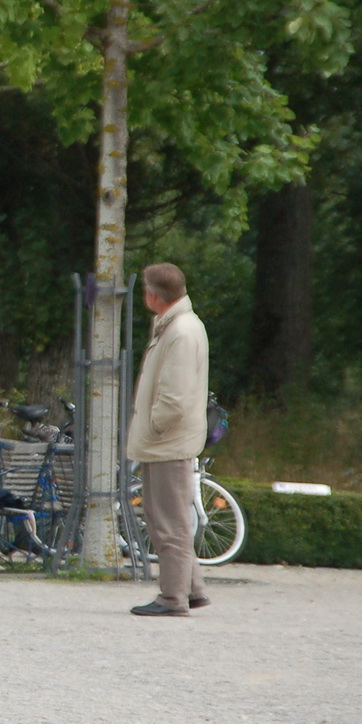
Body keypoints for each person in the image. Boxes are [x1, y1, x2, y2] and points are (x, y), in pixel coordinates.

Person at [127, 262, 212, 618]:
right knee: (170, 517)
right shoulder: (179, 325)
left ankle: (172, 597)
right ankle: (191, 589)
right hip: (169, 441)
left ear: (152, 295)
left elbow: (174, 398)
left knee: (168, 522)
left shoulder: (179, 331)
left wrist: (153, 428)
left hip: (168, 442)